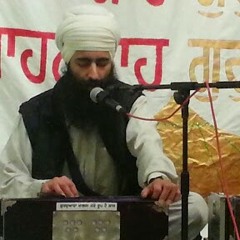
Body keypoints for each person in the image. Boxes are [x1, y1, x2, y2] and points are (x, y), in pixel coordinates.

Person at [0, 4, 208, 239]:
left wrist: (157, 178)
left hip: (122, 213)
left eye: (102, 63)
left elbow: (147, 145)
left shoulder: (128, 103)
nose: (94, 74)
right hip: (61, 218)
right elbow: (6, 182)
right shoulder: (37, 112)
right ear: (67, 62)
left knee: (195, 207)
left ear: (112, 62)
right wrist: (41, 187)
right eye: (83, 63)